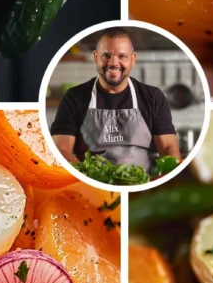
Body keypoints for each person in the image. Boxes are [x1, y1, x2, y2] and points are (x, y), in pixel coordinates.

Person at [51, 27, 180, 174]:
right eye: (106, 55)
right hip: (90, 183)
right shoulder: (74, 97)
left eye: (122, 56)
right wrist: (91, 178)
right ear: (95, 57)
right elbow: (61, 149)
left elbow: (169, 148)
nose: (113, 63)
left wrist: (167, 176)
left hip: (142, 184)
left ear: (133, 59)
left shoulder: (153, 97)